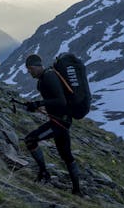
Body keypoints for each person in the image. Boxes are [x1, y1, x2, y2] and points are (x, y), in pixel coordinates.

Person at [22, 54, 81, 195]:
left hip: (59, 122)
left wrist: (40, 103)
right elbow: (53, 100)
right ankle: (77, 191)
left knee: (30, 140)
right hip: (61, 120)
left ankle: (44, 174)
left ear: (36, 66)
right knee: (66, 155)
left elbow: (61, 101)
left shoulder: (49, 77)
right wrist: (36, 106)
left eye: (30, 69)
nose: (29, 72)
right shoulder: (44, 78)